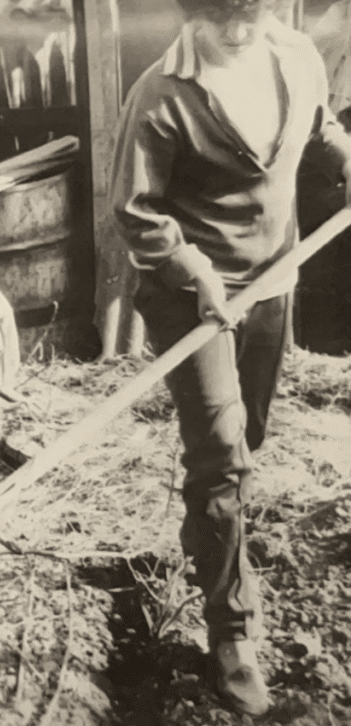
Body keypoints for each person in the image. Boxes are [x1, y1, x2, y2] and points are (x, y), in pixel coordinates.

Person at [110, 0, 351, 716]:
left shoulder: (298, 57)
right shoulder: (161, 95)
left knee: (250, 437)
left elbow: (319, 129)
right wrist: (197, 274)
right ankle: (232, 633)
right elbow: (136, 210)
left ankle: (210, 523)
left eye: (252, 14)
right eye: (224, 21)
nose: (241, 33)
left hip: (275, 278)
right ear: (193, 16)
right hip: (192, 296)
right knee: (218, 452)